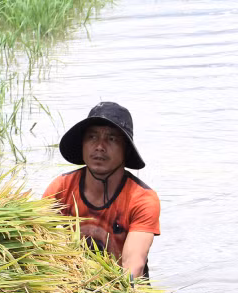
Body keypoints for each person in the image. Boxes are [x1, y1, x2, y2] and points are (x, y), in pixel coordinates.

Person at [42, 101, 160, 279]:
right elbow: (35, 237)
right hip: (74, 282)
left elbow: (133, 263)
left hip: (124, 289)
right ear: (82, 145)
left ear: (126, 150)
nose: (99, 147)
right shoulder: (63, 187)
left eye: (111, 139)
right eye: (92, 137)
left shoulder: (141, 198)